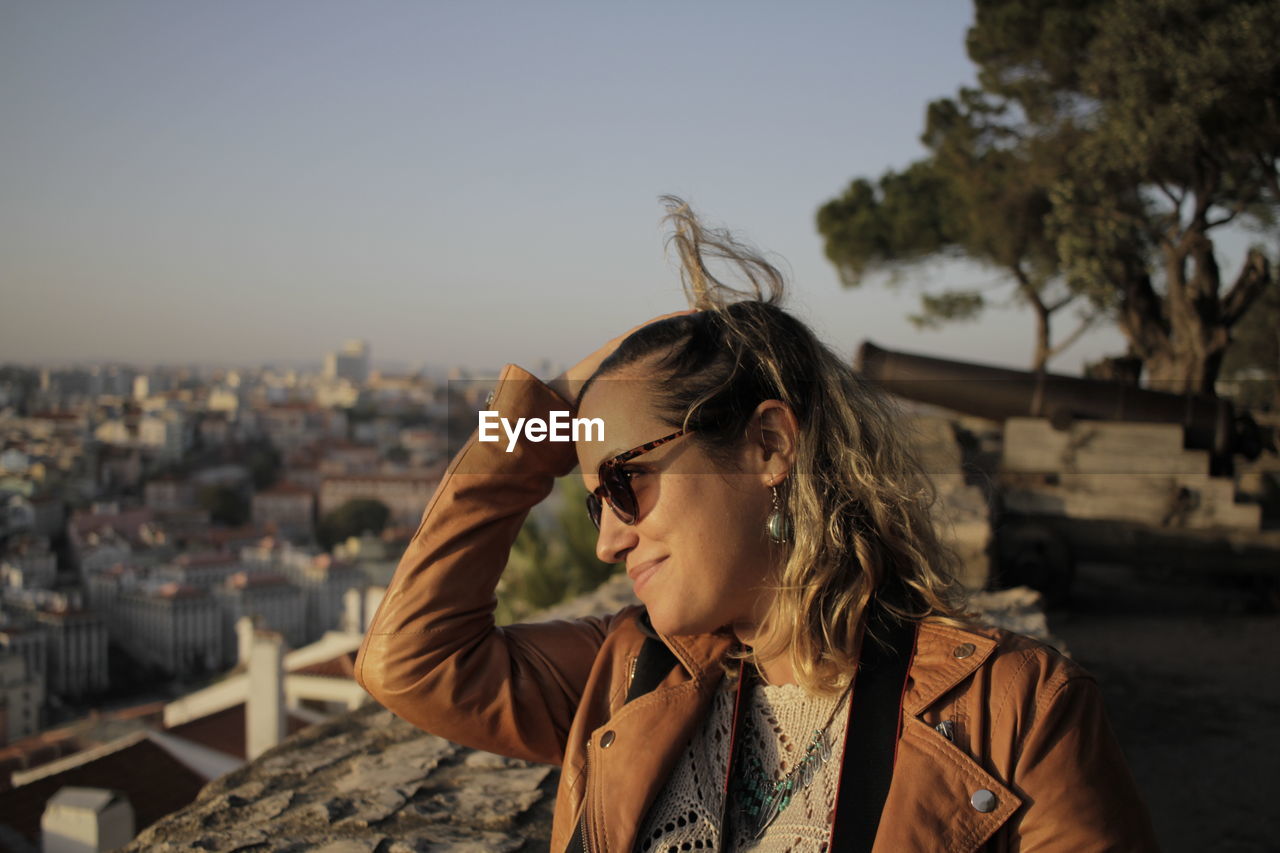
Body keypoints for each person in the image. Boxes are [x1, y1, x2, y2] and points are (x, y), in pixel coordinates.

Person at [354, 198, 1158, 852]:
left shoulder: (1017, 713)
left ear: (768, 444)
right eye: (597, 502)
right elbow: (410, 661)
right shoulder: (629, 672)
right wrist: (544, 409)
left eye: (627, 482)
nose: (606, 539)